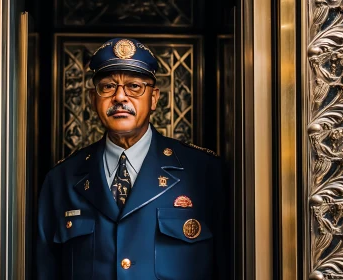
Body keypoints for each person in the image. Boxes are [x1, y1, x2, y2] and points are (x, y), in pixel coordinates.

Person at [36, 38, 229, 279]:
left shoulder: (204, 171)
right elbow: (46, 269)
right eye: (107, 87)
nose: (119, 97)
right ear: (91, 99)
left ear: (155, 98)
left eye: (134, 86)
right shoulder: (61, 180)